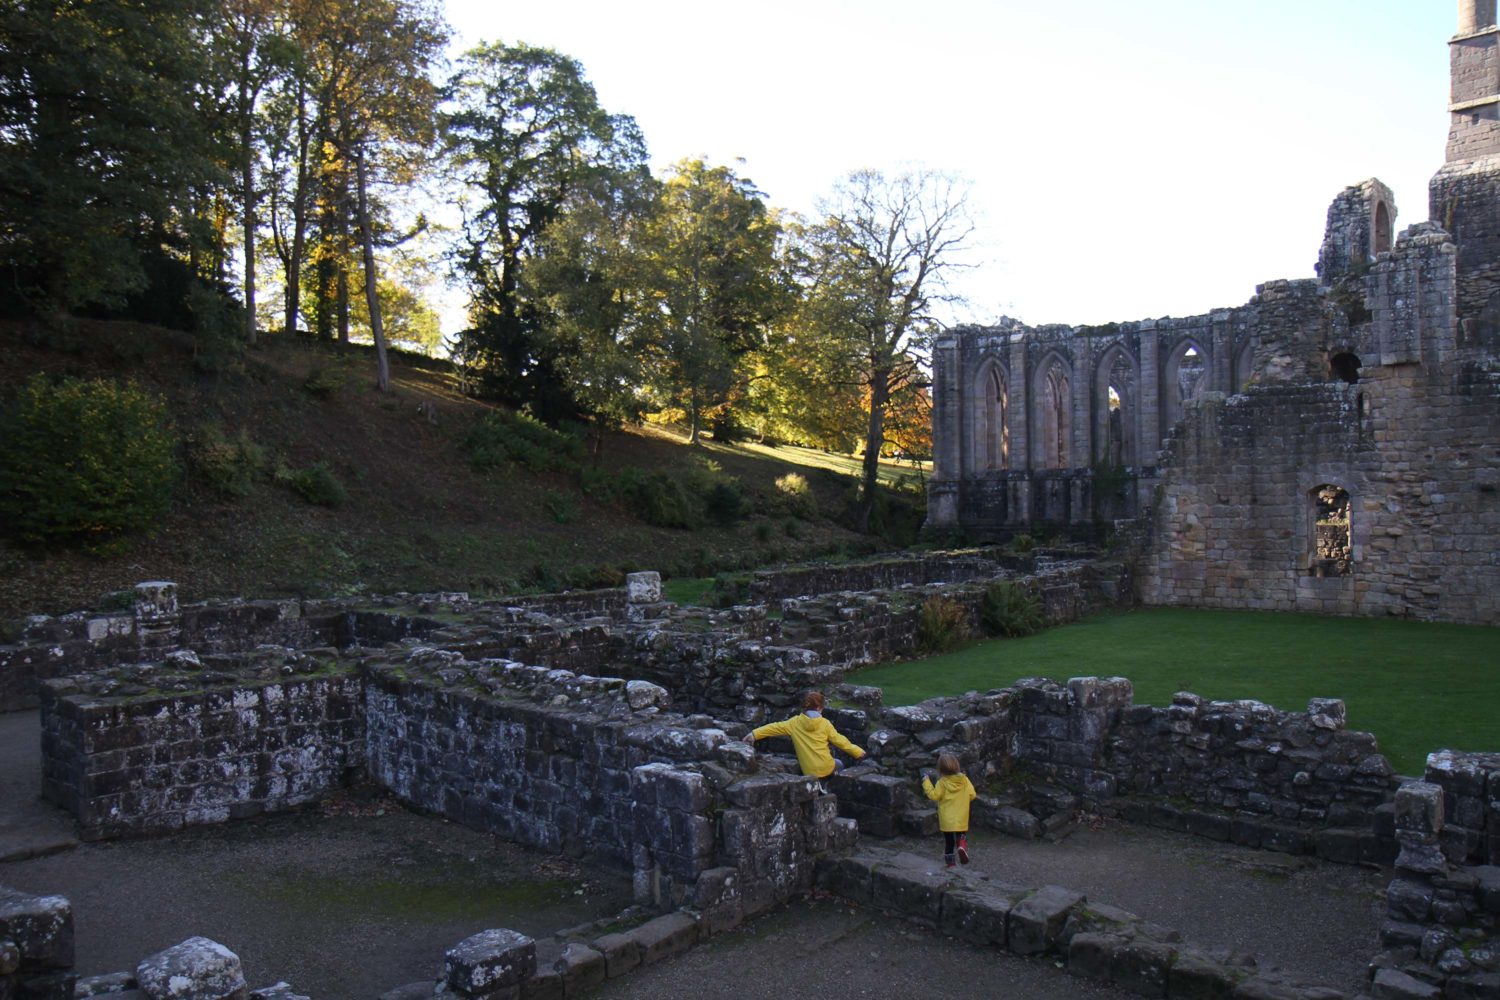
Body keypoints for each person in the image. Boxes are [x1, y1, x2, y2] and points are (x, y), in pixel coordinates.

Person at [745, 691, 866, 779]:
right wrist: (857, 752)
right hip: (826, 767)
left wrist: (754, 734)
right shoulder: (825, 724)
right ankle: (831, 786)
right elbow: (841, 741)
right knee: (839, 764)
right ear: (819, 707)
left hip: (808, 770)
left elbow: (773, 727)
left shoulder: (794, 723)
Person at [922, 753, 977, 867]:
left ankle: (951, 864)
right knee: (961, 835)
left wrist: (926, 782)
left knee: (949, 841)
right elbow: (972, 795)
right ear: (956, 765)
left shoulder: (942, 783)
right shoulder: (965, 780)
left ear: (940, 769)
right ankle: (962, 845)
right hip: (961, 817)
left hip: (947, 818)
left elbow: (934, 796)